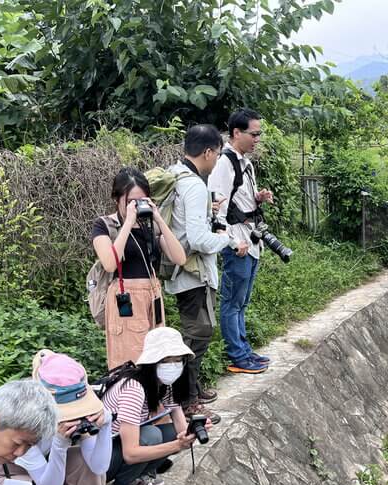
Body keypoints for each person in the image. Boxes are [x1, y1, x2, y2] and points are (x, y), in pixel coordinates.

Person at [0, 350, 121, 485]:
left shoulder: (79, 411)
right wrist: (60, 444)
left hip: (51, 465)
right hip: (13, 471)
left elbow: (99, 466)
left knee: (85, 464)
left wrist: (106, 424)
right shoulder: (24, 419)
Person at [163, 123, 244, 423]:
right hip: (192, 273)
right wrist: (228, 240)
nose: (217, 160)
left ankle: (192, 390)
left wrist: (209, 212)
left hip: (180, 271)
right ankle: (187, 402)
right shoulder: (195, 185)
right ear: (209, 152)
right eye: (217, 154)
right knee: (197, 336)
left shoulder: (176, 174)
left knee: (195, 334)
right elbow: (197, 239)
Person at [102, 327, 211, 485]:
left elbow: (178, 426)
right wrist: (178, 445)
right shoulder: (133, 388)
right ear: (152, 363)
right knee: (152, 436)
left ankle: (135, 477)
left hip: (116, 446)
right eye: (166, 361)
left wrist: (192, 430)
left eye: (178, 360)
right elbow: (130, 453)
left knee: (168, 433)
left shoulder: (164, 385)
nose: (173, 366)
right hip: (100, 460)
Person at [92, 168, 187, 370]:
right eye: (129, 202)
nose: (135, 206)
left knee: (158, 357)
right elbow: (110, 263)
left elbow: (180, 258)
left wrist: (159, 219)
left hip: (152, 294)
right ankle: (131, 400)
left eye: (141, 200)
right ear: (116, 199)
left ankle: (155, 399)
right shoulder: (104, 225)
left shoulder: (150, 226)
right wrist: (127, 223)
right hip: (125, 297)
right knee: (131, 358)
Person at [208, 108, 276, 375]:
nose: (257, 139)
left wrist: (257, 197)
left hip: (250, 238)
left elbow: (238, 198)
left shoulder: (244, 162)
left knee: (242, 301)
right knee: (233, 301)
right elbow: (218, 210)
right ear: (237, 133)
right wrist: (231, 242)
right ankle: (237, 355)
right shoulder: (224, 164)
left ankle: (244, 351)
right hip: (239, 242)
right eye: (254, 133)